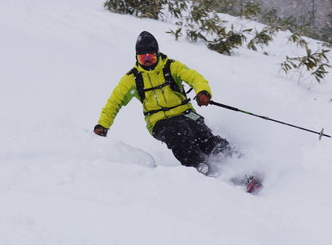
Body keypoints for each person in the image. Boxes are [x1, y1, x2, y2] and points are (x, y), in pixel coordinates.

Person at [93, 31, 235, 177]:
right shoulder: (132, 79)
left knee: (204, 136)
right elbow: (114, 102)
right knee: (180, 135)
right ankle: (200, 167)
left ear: (157, 54)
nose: (148, 61)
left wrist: (203, 92)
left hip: (185, 113)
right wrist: (102, 125)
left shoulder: (171, 67)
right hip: (159, 121)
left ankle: (237, 162)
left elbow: (194, 77)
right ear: (137, 58)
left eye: (151, 57)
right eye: (143, 58)